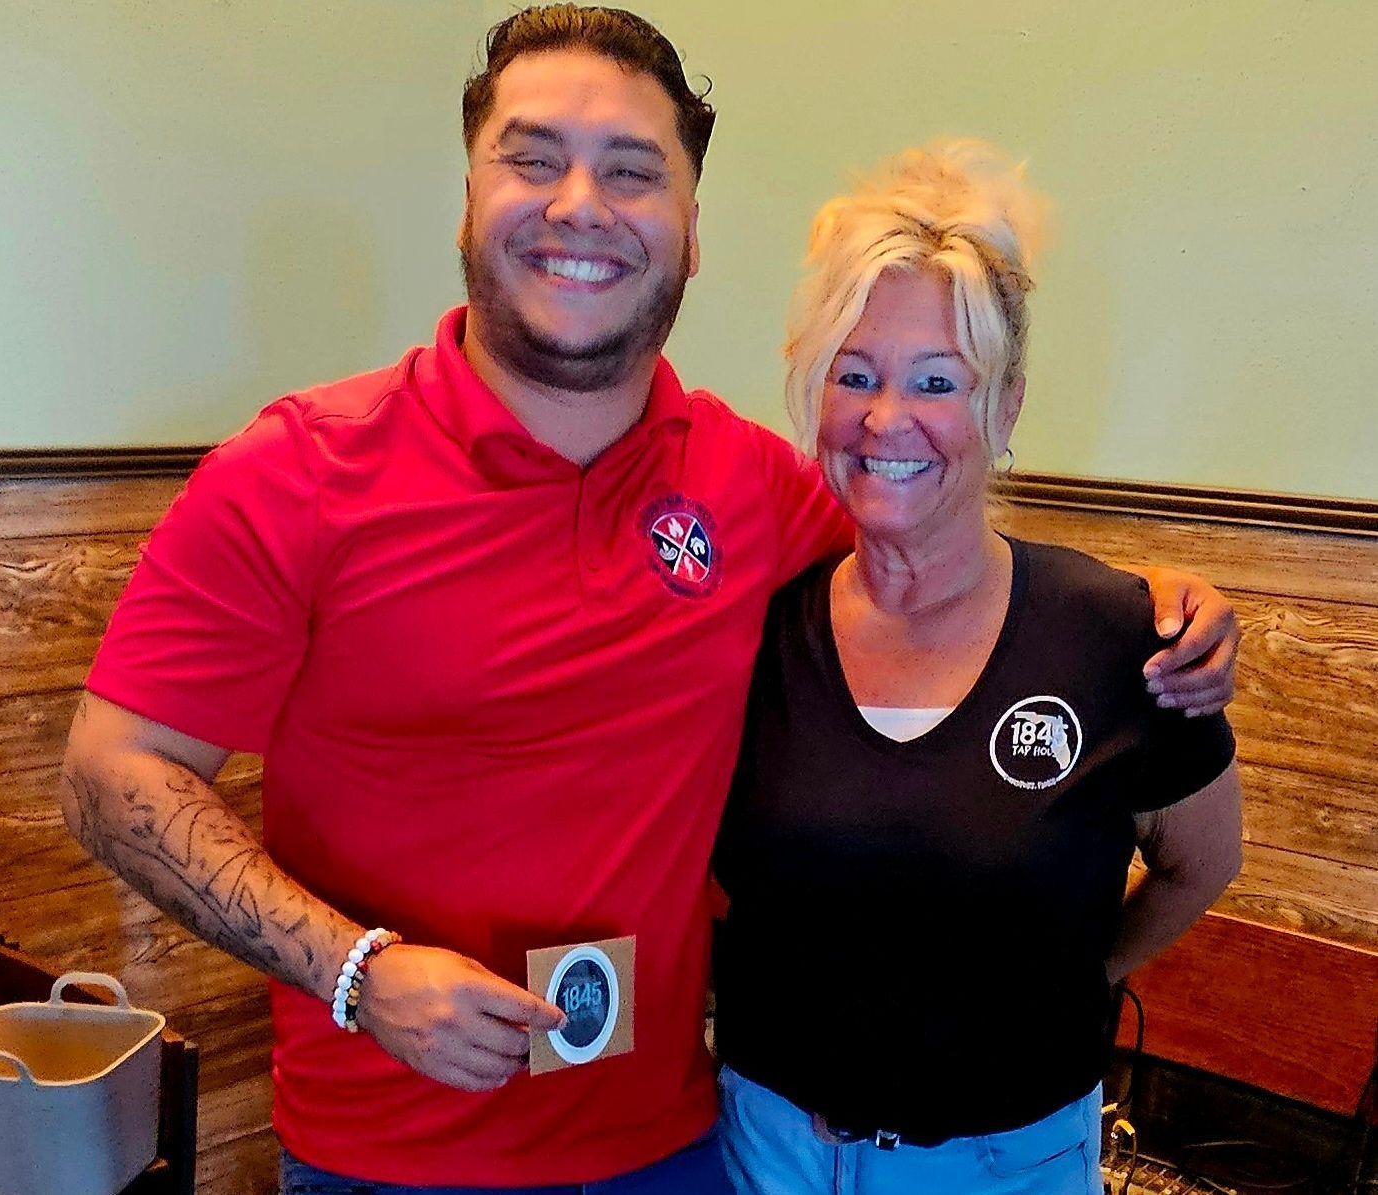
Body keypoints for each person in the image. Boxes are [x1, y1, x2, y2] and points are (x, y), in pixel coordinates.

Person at [60, 9, 1238, 1193]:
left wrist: (1147, 605)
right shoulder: (297, 470)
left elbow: (930, 547)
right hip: (387, 1160)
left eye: (633, 172)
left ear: (689, 231)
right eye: (531, 158)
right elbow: (112, 773)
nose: (579, 202)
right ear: (468, 201)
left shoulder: (752, 488)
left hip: (677, 1146)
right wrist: (353, 967)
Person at [712, 140, 1244, 1195]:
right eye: (852, 374)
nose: (883, 417)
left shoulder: (1116, 634)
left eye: (936, 380)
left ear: (1002, 409)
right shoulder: (757, 630)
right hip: (764, 1148)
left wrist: (1069, 981)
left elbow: (1199, 863)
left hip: (1009, 1161)